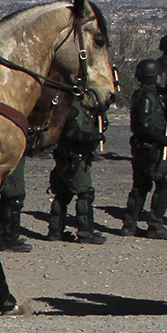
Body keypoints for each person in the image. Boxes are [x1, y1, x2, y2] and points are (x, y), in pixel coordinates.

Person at [123, 59, 167, 238]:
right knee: (165, 179)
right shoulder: (146, 97)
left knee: (141, 184)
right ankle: (155, 225)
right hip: (149, 147)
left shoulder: (146, 95)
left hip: (142, 146)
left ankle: (130, 225)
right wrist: (163, 139)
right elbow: (145, 124)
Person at [49, 99, 105, 243]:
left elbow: (99, 126)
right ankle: (85, 232)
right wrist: (92, 137)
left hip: (73, 158)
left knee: (63, 193)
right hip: (72, 159)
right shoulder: (72, 110)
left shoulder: (86, 111)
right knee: (84, 193)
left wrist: (101, 116)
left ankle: (56, 231)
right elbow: (71, 134)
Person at [0, 156, 32, 251]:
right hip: (11, 154)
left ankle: (2, 236)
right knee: (14, 195)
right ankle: (9, 239)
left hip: (13, 154)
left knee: (11, 196)